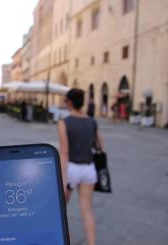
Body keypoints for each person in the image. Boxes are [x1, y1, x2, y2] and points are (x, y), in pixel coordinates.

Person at [58, 88, 103, 245]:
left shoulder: (64, 123)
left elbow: (64, 152)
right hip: (89, 169)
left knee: (60, 209)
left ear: (69, 102)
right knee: (87, 210)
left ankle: (67, 239)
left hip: (72, 169)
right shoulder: (92, 121)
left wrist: (63, 177)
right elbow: (100, 145)